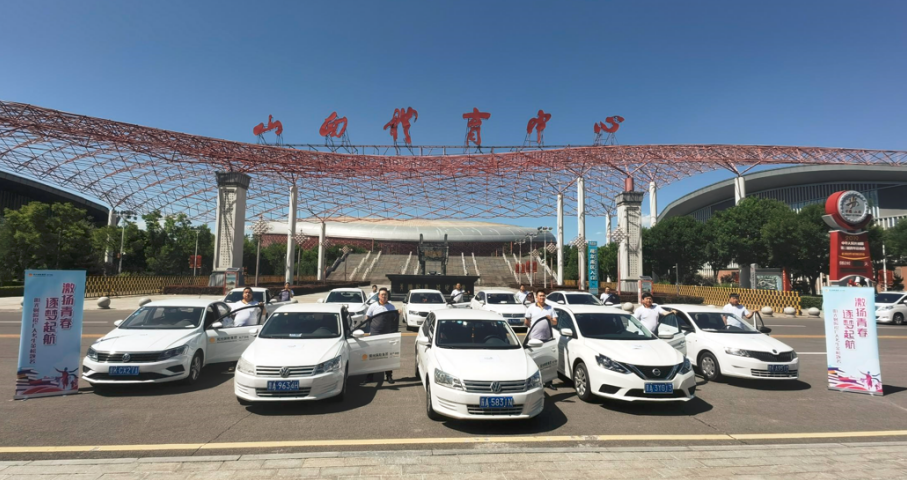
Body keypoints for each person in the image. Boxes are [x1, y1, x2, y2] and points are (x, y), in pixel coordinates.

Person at [524, 289, 558, 389]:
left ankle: (548, 382)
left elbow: (555, 322)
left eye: (543, 295)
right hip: (534, 340)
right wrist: (534, 328)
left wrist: (550, 319)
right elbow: (526, 321)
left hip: (546, 339)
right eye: (540, 296)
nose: (542, 297)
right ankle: (534, 382)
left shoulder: (550, 308)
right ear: (536, 297)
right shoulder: (531, 308)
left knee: (547, 361)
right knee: (534, 360)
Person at [364, 288, 398, 384]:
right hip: (375, 334)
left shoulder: (391, 307)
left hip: (387, 334)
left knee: (388, 356)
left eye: (385, 294)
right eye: (382, 294)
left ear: (387, 296)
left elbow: (395, 319)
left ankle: (389, 376)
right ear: (378, 296)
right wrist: (370, 329)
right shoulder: (373, 306)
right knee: (373, 355)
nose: (384, 296)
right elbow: (368, 317)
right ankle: (370, 376)